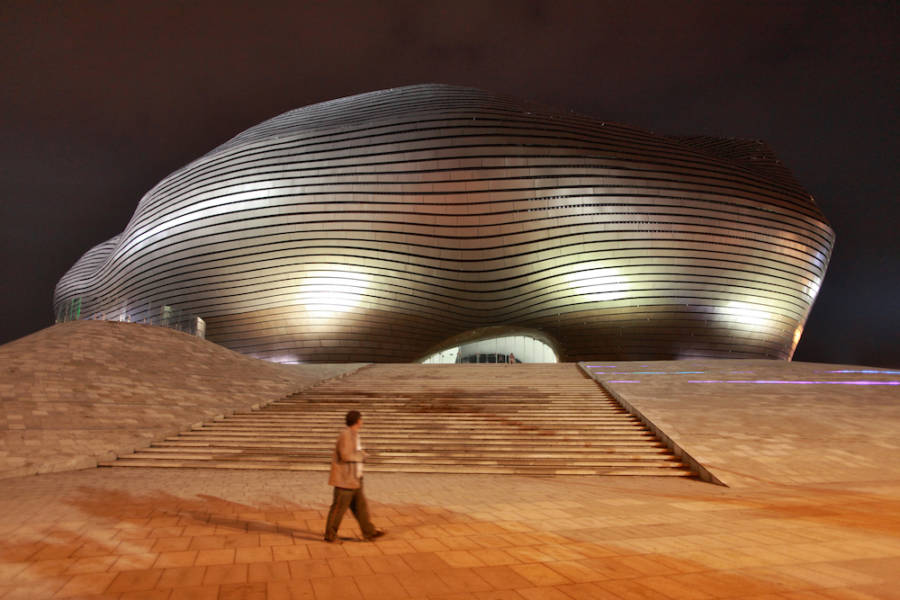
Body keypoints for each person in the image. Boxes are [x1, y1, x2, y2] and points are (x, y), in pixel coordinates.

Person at [323, 410, 385, 543]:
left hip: (355, 478)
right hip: (345, 479)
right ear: (357, 421)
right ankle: (330, 535)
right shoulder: (345, 434)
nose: (362, 421)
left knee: (360, 507)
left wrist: (361, 453)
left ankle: (369, 532)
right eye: (361, 419)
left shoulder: (354, 434)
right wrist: (361, 456)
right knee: (338, 508)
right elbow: (345, 455)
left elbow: (352, 451)